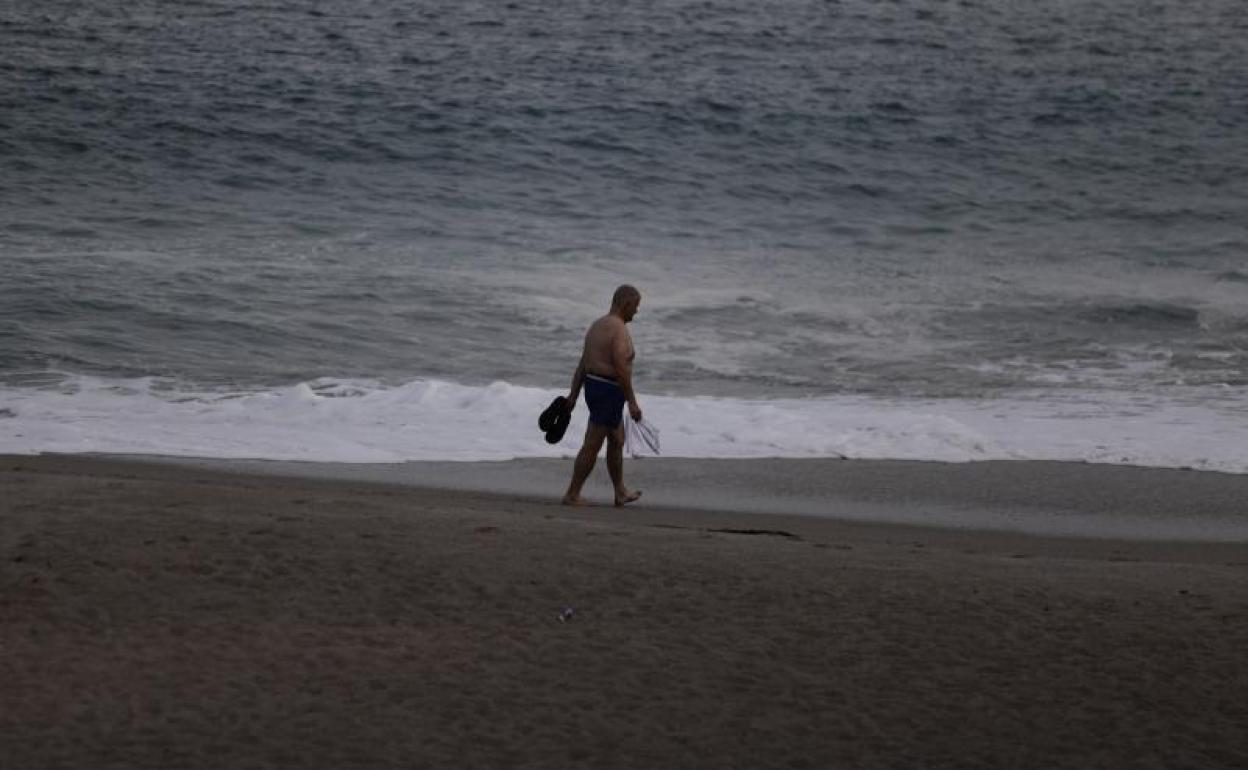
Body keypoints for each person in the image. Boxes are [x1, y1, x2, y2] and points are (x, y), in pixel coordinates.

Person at [561, 284, 644, 507]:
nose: (636, 311)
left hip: (596, 387)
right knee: (593, 443)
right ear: (626, 303)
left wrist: (574, 395)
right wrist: (632, 402)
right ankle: (572, 493)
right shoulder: (618, 330)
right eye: (635, 306)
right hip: (608, 391)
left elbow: (583, 364)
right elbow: (620, 366)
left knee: (617, 440)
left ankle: (620, 492)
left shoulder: (596, 326)